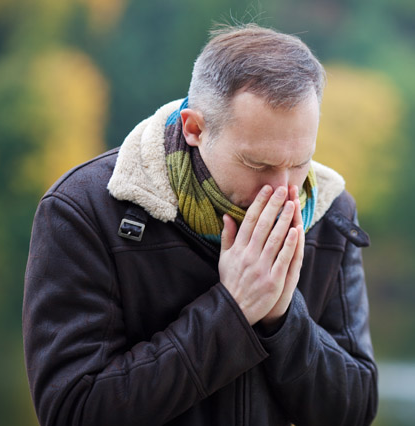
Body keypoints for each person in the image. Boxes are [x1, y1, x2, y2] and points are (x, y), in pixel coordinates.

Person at [23, 23, 378, 426]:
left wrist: (284, 319)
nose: (284, 191)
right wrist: (233, 311)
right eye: (258, 164)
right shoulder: (84, 209)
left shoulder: (331, 213)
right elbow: (73, 412)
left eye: (298, 163)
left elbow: (354, 410)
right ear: (194, 128)